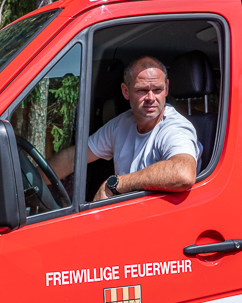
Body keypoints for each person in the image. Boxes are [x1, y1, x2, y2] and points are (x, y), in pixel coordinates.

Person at [48, 55, 200, 201]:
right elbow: (73, 159)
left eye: (157, 90)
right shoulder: (122, 123)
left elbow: (183, 174)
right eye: (142, 90)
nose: (151, 98)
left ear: (166, 89)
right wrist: (36, 183)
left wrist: (116, 184)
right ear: (126, 91)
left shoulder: (175, 128)